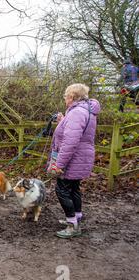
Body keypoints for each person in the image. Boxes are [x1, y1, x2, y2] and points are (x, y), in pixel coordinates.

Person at [48, 83, 100, 239]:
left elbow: (70, 141)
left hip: (73, 159)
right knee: (73, 188)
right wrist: (63, 120)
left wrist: (59, 164)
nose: (64, 98)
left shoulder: (77, 113)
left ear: (71, 97)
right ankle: (77, 218)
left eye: (65, 96)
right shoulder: (84, 111)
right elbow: (76, 132)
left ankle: (72, 225)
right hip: (80, 157)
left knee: (62, 190)